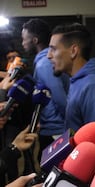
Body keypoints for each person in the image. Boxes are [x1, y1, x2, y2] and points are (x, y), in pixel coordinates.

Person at [47, 23, 95, 160]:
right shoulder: (77, 81)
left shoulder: (94, 86)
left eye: (53, 49)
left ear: (74, 51)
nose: (48, 56)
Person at [22, 18, 69, 163]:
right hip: (52, 128)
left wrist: (68, 126)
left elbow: (59, 97)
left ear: (34, 40)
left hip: (56, 130)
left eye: (24, 39)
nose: (22, 43)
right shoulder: (44, 62)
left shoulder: (44, 64)